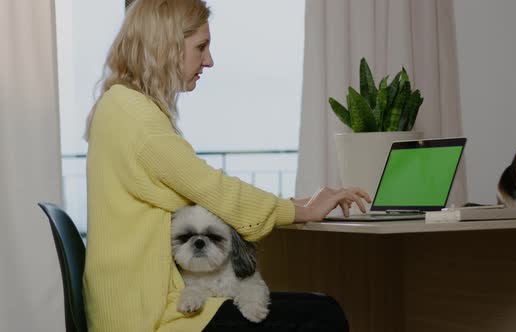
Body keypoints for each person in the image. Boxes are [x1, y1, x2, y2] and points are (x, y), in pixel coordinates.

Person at [83, 0, 371, 331]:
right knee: (322, 315)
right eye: (201, 47)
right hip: (150, 316)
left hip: (137, 305)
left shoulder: (120, 106)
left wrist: (295, 205)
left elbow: (195, 192)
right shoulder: (137, 118)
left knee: (313, 309)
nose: (209, 60)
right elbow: (211, 188)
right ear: (165, 47)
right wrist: (302, 212)